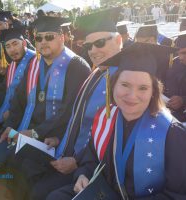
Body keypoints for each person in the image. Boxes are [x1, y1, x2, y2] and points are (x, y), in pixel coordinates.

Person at [47, 42, 186, 200]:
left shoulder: (173, 134)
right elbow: (93, 157)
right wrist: (84, 174)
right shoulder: (106, 118)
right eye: (125, 85)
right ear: (113, 85)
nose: (132, 96)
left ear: (154, 91)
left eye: (143, 88)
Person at [29, 8, 122, 200]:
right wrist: (59, 139)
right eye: (89, 46)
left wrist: (78, 162)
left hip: (100, 170)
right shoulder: (97, 74)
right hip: (71, 154)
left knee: (41, 191)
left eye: (100, 43)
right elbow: (77, 117)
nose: (94, 51)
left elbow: (116, 137)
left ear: (119, 40)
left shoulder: (126, 80)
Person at [0, 16, 91, 200]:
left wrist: (33, 133)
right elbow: (19, 100)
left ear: (62, 37)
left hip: (58, 138)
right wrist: (10, 124)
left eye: (49, 37)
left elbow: (68, 112)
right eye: (38, 38)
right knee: (5, 152)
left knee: (26, 168)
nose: (43, 42)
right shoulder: (35, 65)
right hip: (35, 133)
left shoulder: (76, 66)